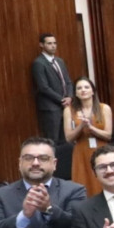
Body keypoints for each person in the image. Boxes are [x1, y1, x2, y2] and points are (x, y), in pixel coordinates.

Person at [63, 78, 114, 196]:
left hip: (101, 150)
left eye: (86, 87)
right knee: (83, 182)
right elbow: (68, 138)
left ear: (93, 91)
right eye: (79, 88)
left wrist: (91, 128)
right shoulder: (69, 110)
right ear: (75, 93)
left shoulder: (104, 108)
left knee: (102, 181)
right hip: (81, 151)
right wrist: (81, 126)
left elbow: (108, 135)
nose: (83, 90)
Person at [31, 33, 72, 172]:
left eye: (54, 43)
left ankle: (65, 169)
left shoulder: (60, 61)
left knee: (65, 139)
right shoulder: (39, 63)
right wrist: (61, 100)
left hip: (65, 106)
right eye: (49, 43)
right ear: (41, 45)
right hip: (50, 108)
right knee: (52, 141)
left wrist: (70, 97)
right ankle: (53, 171)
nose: (53, 46)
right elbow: (43, 87)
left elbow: (68, 81)